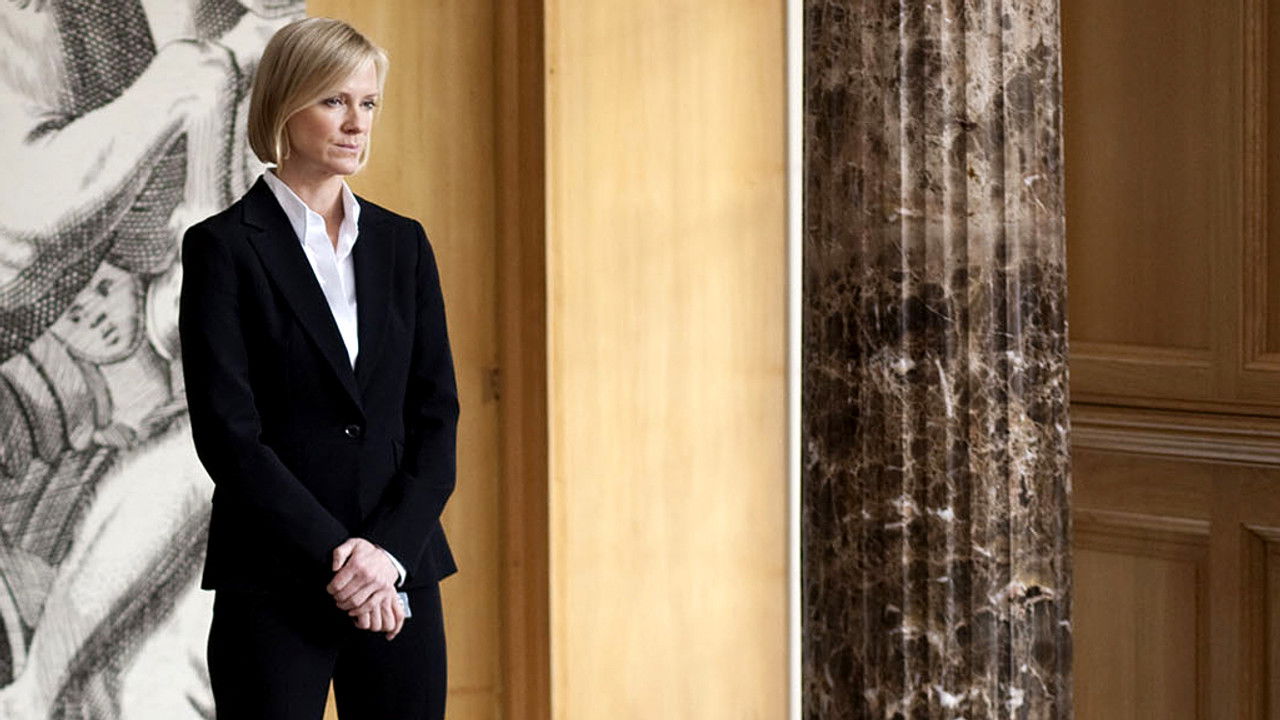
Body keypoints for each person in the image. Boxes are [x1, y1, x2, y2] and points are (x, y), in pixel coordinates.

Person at [177, 16, 459, 720]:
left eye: (368, 103)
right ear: (284, 104)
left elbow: (436, 419)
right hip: (272, 580)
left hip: (399, 576)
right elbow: (228, 435)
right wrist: (344, 559)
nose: (357, 123)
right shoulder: (222, 248)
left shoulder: (403, 244)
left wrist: (384, 557)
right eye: (334, 100)